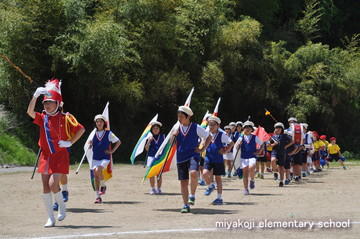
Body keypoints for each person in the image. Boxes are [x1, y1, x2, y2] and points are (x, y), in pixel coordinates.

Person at [27, 79, 85, 227]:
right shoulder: (42, 117)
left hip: (60, 156)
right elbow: (29, 112)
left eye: (50, 102)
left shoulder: (66, 117)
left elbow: (81, 129)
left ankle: (62, 207)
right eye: (45, 102)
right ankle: (50, 218)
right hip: (45, 156)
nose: (47, 105)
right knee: (45, 186)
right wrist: (35, 96)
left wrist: (70, 142)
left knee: (54, 184)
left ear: (58, 103)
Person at [173, 105, 211, 213]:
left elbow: (209, 137)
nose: (179, 118)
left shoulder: (196, 127)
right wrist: (173, 136)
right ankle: (185, 205)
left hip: (193, 155)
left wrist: (202, 148)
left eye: (181, 116)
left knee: (194, 173)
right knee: (183, 182)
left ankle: (192, 195)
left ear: (188, 117)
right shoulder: (176, 128)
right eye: (178, 116)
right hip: (180, 157)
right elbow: (172, 144)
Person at [88, 114, 121, 204]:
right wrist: (90, 144)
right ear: (95, 123)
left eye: (101, 121)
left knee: (98, 170)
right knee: (96, 175)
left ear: (104, 123)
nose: (99, 123)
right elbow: (89, 146)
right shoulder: (92, 134)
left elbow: (118, 141)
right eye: (97, 121)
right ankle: (98, 196)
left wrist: (112, 151)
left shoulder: (108, 133)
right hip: (95, 158)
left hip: (105, 158)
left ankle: (103, 186)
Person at [203, 116, 234, 205]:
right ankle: (210, 186)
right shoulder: (206, 133)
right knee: (204, 173)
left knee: (218, 179)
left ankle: (219, 198)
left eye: (213, 125)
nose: (211, 126)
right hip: (208, 158)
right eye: (209, 124)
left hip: (218, 160)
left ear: (218, 125)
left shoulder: (221, 135)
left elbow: (231, 143)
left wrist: (226, 151)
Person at [235, 121, 263, 195]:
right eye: (245, 128)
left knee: (252, 167)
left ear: (251, 129)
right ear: (243, 129)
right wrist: (238, 145)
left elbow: (262, 144)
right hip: (243, 158)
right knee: (245, 174)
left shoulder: (255, 137)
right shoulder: (240, 137)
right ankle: (245, 189)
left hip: (252, 156)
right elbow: (236, 148)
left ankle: (252, 180)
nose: (247, 129)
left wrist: (259, 151)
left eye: (249, 128)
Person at [145, 121, 166, 194]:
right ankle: (152, 188)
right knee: (151, 174)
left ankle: (159, 189)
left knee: (159, 174)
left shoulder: (163, 136)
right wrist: (149, 141)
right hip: (151, 157)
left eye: (157, 128)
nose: (155, 129)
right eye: (154, 128)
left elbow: (166, 147)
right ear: (152, 129)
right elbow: (146, 149)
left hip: (160, 158)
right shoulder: (149, 137)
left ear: (159, 129)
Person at [270, 122, 293, 187]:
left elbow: (292, 141)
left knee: (281, 167)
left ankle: (281, 181)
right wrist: (274, 144)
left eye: (279, 128)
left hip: (282, 153)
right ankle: (275, 172)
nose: (277, 129)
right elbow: (269, 145)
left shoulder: (285, 136)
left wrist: (286, 146)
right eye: (276, 128)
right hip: (275, 151)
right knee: (272, 160)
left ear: (282, 129)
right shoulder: (273, 137)